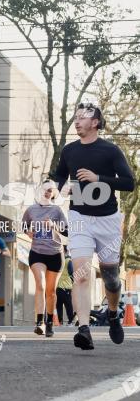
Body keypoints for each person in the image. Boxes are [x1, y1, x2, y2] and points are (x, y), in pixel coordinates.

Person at [51, 102, 135, 351]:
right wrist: (52, 189)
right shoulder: (69, 151)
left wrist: (99, 179)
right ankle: (84, 329)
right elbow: (59, 176)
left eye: (82, 118)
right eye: (75, 118)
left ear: (95, 122)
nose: (76, 122)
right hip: (79, 217)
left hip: (108, 219)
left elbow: (129, 183)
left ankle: (112, 313)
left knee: (111, 278)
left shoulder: (110, 151)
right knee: (82, 272)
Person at [22, 181, 68, 337]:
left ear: (53, 193)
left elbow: (67, 231)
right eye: (44, 190)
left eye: (50, 190)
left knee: (51, 291)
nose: (47, 192)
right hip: (37, 252)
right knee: (40, 285)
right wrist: (28, 231)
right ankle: (39, 323)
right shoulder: (31, 210)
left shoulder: (57, 210)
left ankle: (49, 322)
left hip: (55, 254)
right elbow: (23, 226)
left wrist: (54, 226)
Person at [56, 246, 75, 325]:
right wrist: (73, 282)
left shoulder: (60, 260)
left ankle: (61, 321)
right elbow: (72, 274)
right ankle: (70, 321)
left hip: (59, 287)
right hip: (65, 288)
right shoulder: (68, 261)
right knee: (68, 305)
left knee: (59, 306)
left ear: (65, 251)